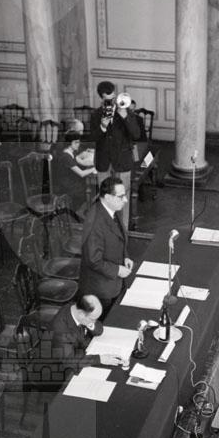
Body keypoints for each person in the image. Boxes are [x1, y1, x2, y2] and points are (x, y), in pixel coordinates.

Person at [79, 176, 133, 317]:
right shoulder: (95, 222)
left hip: (113, 283)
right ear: (108, 197)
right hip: (101, 291)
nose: (125, 200)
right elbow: (93, 260)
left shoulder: (111, 209)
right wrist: (117, 270)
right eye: (121, 196)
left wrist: (125, 256)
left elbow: (118, 237)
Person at [90, 81, 141, 229]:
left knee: (122, 197)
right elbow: (93, 138)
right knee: (105, 198)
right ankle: (106, 228)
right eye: (108, 100)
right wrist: (102, 126)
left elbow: (136, 134)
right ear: (101, 98)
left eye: (113, 98)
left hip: (122, 161)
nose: (112, 102)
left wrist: (125, 117)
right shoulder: (96, 115)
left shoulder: (126, 111)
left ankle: (123, 230)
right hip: (103, 162)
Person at [48, 294, 120, 380]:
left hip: (82, 350)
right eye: (93, 319)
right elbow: (69, 360)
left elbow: (99, 330)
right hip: (64, 367)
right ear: (81, 314)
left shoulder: (78, 309)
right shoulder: (60, 330)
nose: (94, 322)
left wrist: (90, 323)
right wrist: (99, 359)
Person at [57, 130, 97, 218]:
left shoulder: (71, 152)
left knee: (92, 187)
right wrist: (95, 168)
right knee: (92, 188)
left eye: (78, 142)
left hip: (72, 180)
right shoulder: (66, 156)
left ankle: (86, 210)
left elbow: (80, 161)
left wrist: (94, 162)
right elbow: (81, 173)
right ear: (70, 143)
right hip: (67, 184)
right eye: (76, 142)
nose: (78, 144)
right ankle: (83, 212)